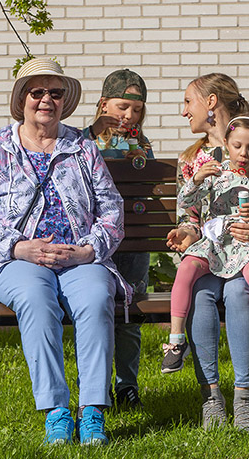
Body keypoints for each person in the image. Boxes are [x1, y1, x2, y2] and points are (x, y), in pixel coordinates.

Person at [0, 57, 133, 446]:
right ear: (22, 98)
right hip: (19, 260)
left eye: (55, 93)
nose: (46, 100)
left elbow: (111, 209)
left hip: (78, 256)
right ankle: (56, 411)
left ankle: (91, 412)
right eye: (37, 92)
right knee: (36, 298)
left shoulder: (83, 149)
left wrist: (88, 252)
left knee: (95, 295)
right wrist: (19, 247)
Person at [166, 73, 249, 432]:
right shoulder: (192, 159)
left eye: (188, 101)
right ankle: (211, 398)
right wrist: (185, 232)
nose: (184, 111)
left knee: (240, 292)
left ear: (210, 103)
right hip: (211, 253)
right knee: (201, 295)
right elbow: (189, 216)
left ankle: (244, 398)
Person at [162, 113, 249, 374]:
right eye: (237, 146)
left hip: (248, 244)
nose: (243, 153)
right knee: (186, 269)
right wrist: (197, 179)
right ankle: (176, 341)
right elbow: (185, 202)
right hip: (216, 245)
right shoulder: (216, 174)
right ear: (226, 143)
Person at [82, 68, 153, 409]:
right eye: (123, 106)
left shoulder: (142, 143)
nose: (129, 115)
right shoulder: (82, 141)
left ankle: (127, 385)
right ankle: (96, 388)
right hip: (93, 242)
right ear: (103, 104)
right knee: (96, 314)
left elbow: (148, 185)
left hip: (131, 243)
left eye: (137, 110)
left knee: (129, 316)